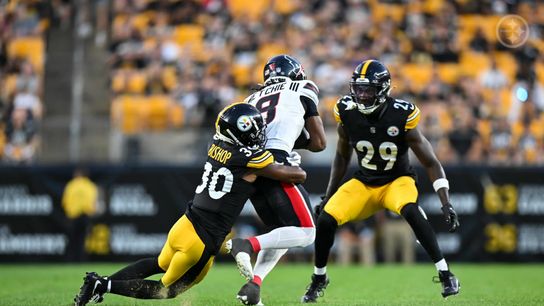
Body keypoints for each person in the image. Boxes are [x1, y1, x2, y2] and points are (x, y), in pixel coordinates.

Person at [73, 103, 307, 306]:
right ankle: (102, 285)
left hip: (186, 223)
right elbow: (293, 176)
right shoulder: (249, 159)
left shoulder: (216, 143)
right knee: (165, 289)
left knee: (157, 263)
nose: (256, 136)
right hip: (202, 239)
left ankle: (100, 283)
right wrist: (295, 163)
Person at [301, 59, 460, 303]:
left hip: (397, 181)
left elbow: (431, 162)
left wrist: (445, 201)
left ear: (383, 89)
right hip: (364, 182)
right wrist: (328, 195)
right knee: (325, 220)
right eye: (359, 89)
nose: (362, 95)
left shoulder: (401, 114)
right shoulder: (346, 110)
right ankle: (318, 278)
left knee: (412, 211)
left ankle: (446, 274)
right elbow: (342, 156)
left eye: (369, 89)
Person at [226, 54, 326, 305]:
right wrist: (292, 139)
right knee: (306, 233)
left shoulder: (251, 97)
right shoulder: (304, 86)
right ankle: (246, 244)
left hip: (251, 163)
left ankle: (254, 287)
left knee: (283, 232)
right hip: (276, 161)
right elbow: (319, 143)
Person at [62, 166, 99, 262]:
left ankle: (69, 260)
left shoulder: (71, 185)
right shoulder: (90, 186)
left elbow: (65, 202)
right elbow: (93, 201)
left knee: (71, 240)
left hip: (72, 216)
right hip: (85, 215)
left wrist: (70, 212)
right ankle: (81, 260)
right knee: (82, 240)